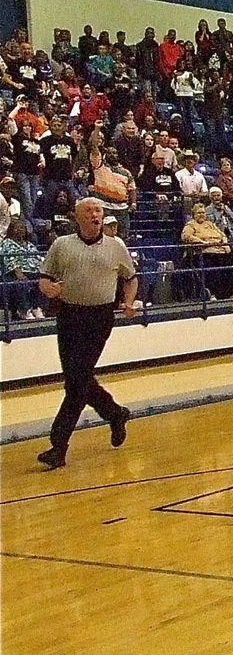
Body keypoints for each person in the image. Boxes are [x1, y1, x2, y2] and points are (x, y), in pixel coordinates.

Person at [35, 197, 139, 469]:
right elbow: (44, 277)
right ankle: (115, 413)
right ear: (77, 217)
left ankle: (58, 445)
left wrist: (128, 302)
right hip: (69, 315)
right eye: (89, 211)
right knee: (76, 378)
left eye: (99, 211)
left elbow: (131, 278)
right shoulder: (62, 245)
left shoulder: (116, 247)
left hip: (100, 317)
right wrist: (47, 288)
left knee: (77, 382)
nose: (95, 215)